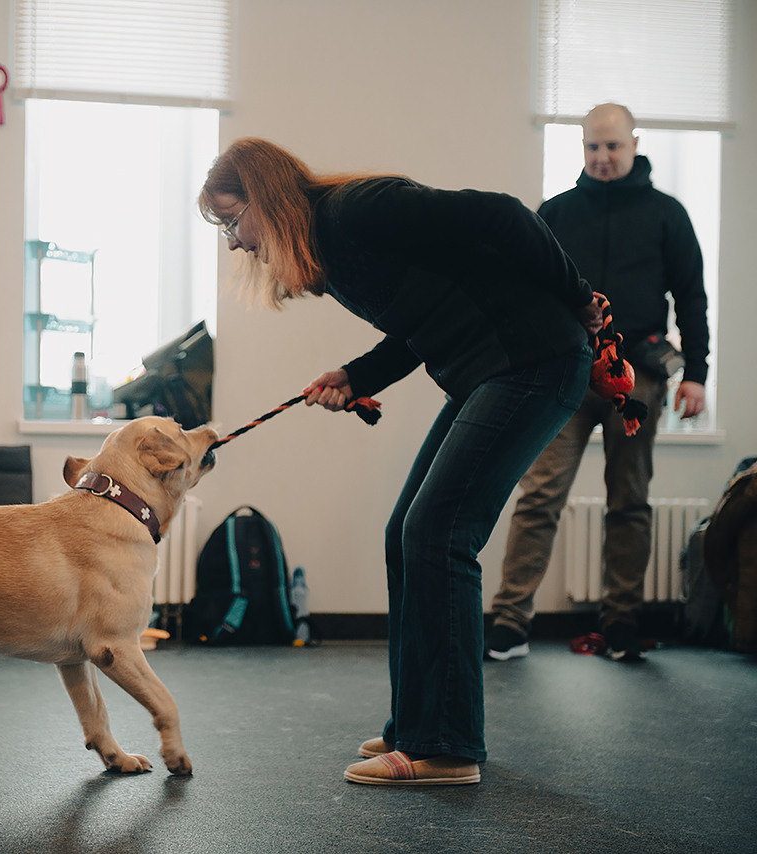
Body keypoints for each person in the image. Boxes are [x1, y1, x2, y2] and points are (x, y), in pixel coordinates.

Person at [199, 137, 603, 786]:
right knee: (405, 535)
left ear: (266, 197)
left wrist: (578, 296)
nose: (234, 241)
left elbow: (504, 215)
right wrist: (358, 374)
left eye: (232, 219)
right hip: (490, 371)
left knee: (439, 535)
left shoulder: (356, 209)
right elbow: (422, 320)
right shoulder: (331, 249)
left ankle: (445, 747)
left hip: (535, 359)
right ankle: (415, 726)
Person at [487, 103, 710, 664]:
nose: (602, 158)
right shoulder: (556, 213)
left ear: (633, 143)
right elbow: (525, 291)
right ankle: (510, 623)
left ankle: (621, 624)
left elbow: (692, 298)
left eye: (612, 146)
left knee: (629, 502)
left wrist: (698, 375)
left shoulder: (668, 214)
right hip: (565, 374)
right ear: (582, 147)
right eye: (592, 147)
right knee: (539, 495)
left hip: (637, 378)